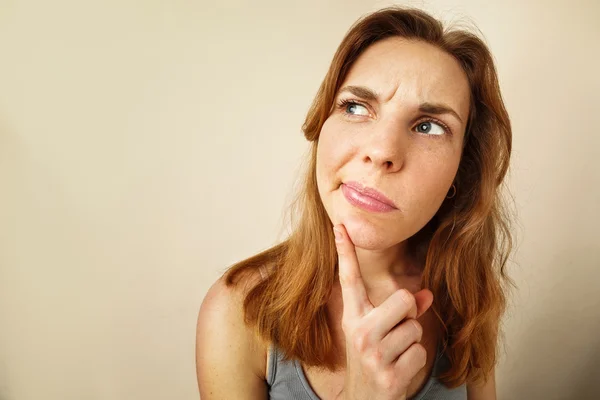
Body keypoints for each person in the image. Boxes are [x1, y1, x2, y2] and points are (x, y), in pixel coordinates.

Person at [196, 5, 513, 400]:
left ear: (461, 171)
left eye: (428, 126)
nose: (382, 150)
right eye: (355, 107)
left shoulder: (470, 296)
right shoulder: (237, 313)